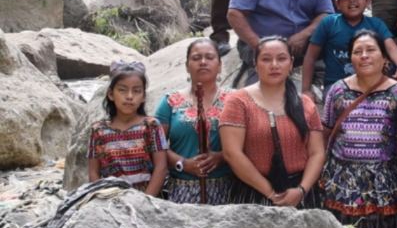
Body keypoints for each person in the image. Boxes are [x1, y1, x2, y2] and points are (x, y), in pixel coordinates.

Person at [319, 31, 397, 228]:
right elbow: (326, 133)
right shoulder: (338, 90)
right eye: (357, 52)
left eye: (371, 50)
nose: (364, 56)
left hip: (385, 184)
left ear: (384, 57)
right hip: (342, 183)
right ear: (350, 59)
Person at [220, 36, 326, 208]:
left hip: (300, 194)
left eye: (281, 59)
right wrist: (271, 194)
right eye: (266, 59)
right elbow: (232, 153)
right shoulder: (238, 101)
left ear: (291, 63)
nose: (274, 65)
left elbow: (317, 153)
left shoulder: (305, 104)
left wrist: (301, 190)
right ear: (255, 63)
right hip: (254, 194)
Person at [155, 38, 233, 205]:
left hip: (228, 188)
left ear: (219, 65)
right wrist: (182, 164)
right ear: (187, 65)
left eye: (209, 57)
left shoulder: (235, 100)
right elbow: (156, 146)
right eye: (196, 58)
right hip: (181, 189)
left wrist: (222, 157)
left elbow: (249, 142)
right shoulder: (170, 101)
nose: (203, 62)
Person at [303, 0, 397, 95]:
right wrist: (306, 90)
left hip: (371, 85)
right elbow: (310, 57)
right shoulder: (328, 23)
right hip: (336, 86)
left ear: (368, 1)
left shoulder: (376, 24)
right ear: (337, 3)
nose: (352, 0)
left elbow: (391, 47)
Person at [87, 61, 168, 196]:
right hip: (110, 197)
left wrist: (144, 200)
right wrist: (102, 197)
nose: (129, 96)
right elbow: (93, 172)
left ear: (144, 97)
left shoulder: (151, 126)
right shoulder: (99, 131)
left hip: (147, 197)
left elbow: (161, 167)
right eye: (122, 90)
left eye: (136, 91)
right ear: (111, 94)